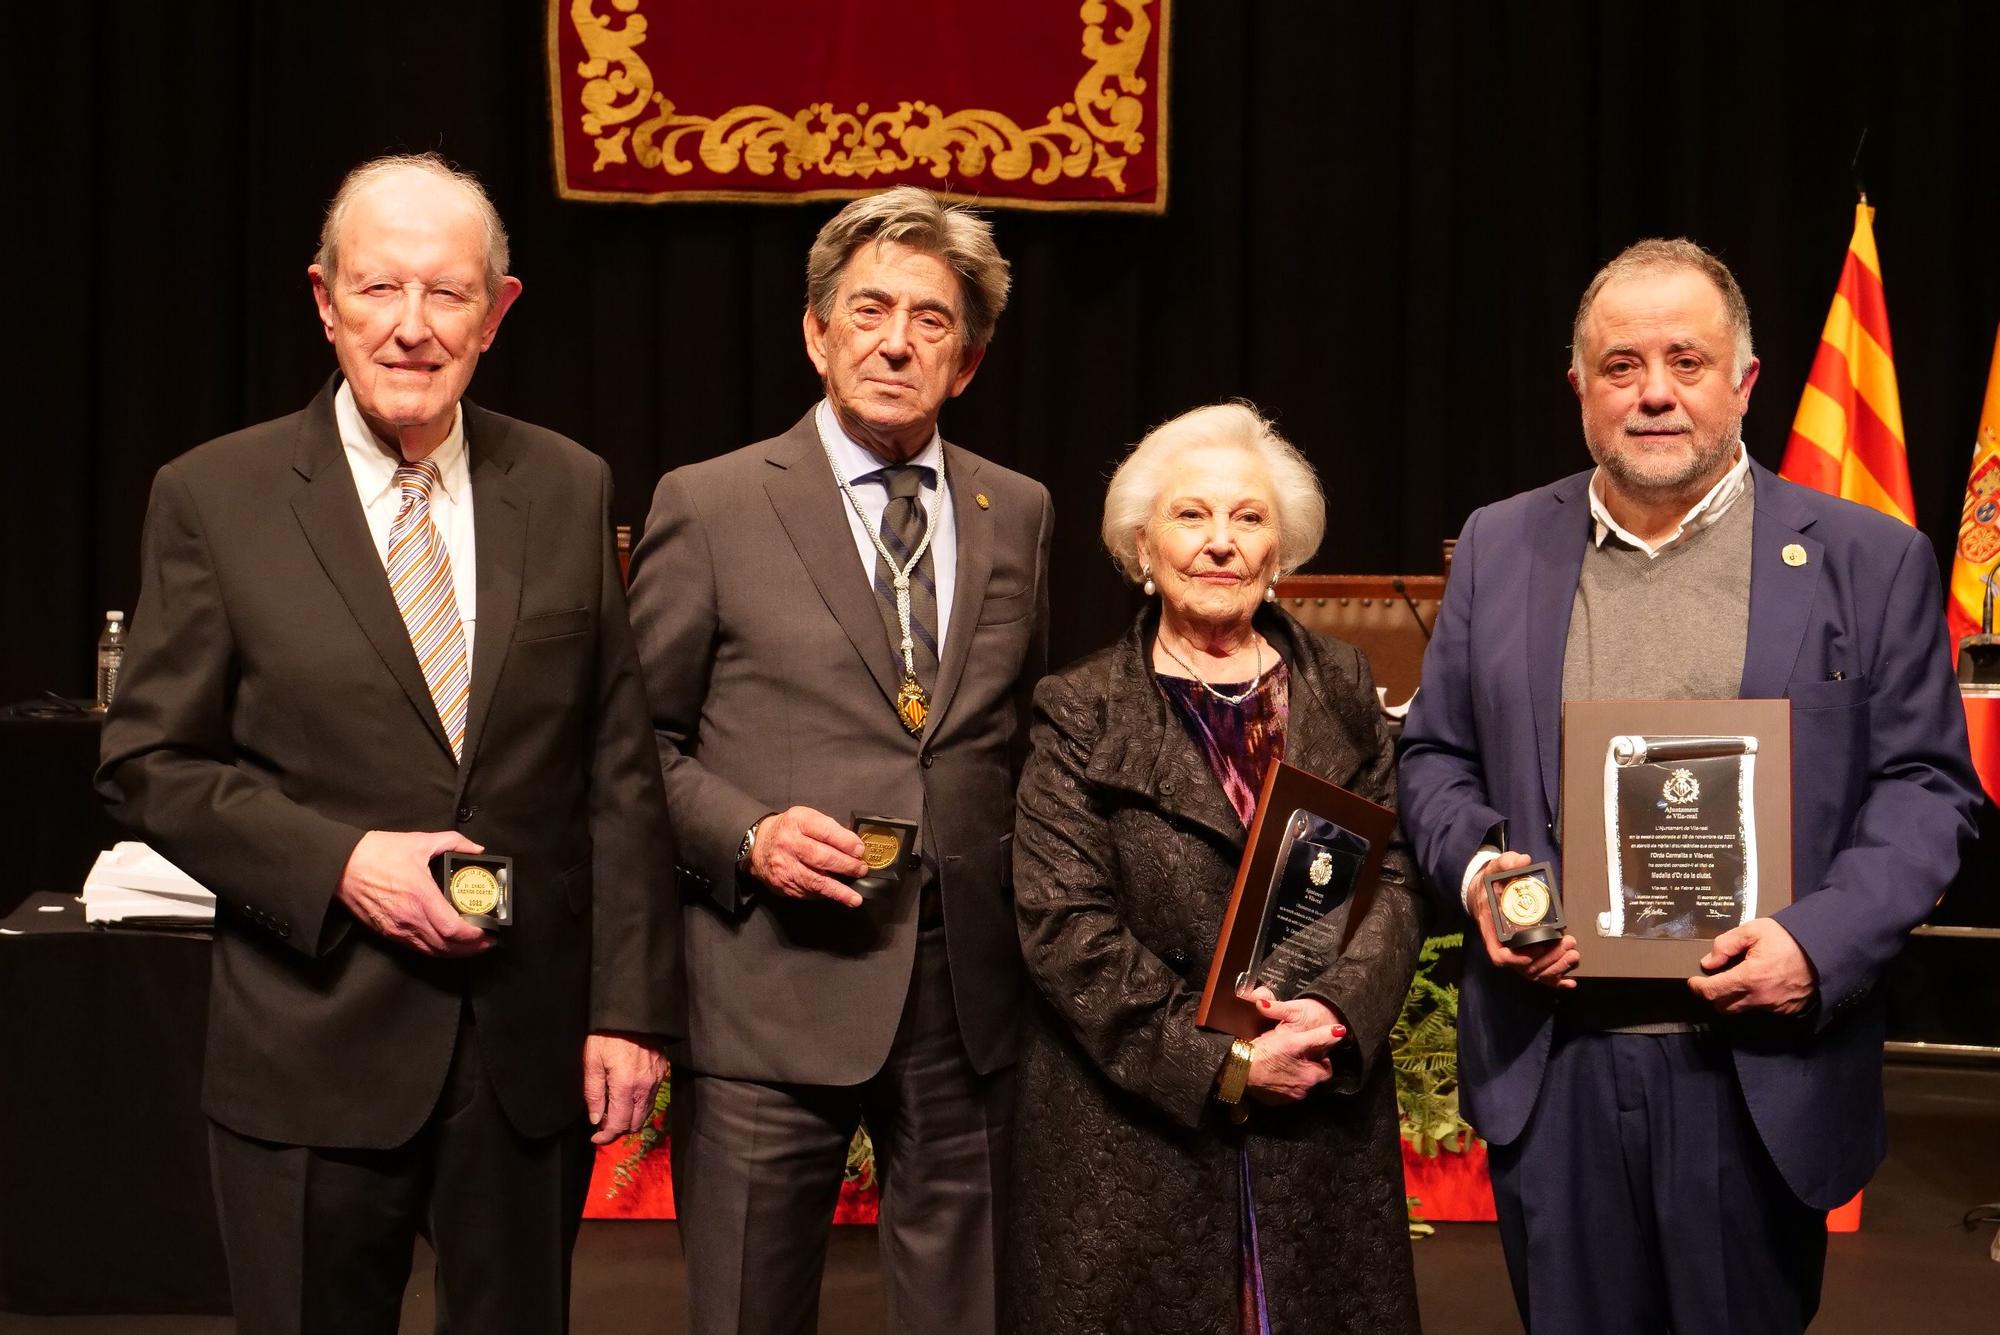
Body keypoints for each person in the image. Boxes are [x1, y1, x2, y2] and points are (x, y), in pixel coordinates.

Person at [96, 154, 677, 1335]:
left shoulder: (568, 486)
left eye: (446, 294)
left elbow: (617, 768)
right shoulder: (214, 495)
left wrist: (629, 1011)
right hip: (310, 1043)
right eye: (376, 290)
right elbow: (148, 762)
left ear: (497, 312)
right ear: (323, 299)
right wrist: (342, 862)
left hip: (521, 1054)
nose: (409, 328)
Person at [1398, 238, 1982, 1333]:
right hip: (1555, 1062)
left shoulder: (1868, 557)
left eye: (1685, 361)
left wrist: (1815, 944)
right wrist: (1481, 875)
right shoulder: (1495, 545)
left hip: (1752, 1072)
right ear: (1578, 386)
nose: (1653, 393)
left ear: (1743, 382)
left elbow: (1923, 788)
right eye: (1619, 366)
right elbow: (1431, 755)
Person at [625, 185, 1051, 1335]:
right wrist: (748, 835)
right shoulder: (707, 504)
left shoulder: (1016, 512)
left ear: (966, 361)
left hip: (964, 1002)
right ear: (816, 332)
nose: (895, 339)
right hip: (766, 990)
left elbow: (1013, 745)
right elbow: (634, 751)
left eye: (929, 318)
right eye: (868, 309)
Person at [1006, 402, 1425, 1334]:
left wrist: (1335, 1013)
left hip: (1318, 1119)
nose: (1220, 543)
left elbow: (1395, 878)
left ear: (1280, 553)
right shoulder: (1078, 709)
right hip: (1137, 1133)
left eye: (1249, 518)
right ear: (1141, 551)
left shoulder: (1346, 690)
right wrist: (1226, 1062)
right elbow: (1064, 929)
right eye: (1191, 516)